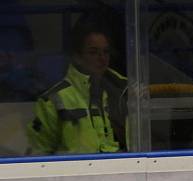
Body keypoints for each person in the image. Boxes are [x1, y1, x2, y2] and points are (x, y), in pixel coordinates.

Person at [27, 17, 127, 155]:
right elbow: (37, 157)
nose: (102, 58)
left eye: (106, 51)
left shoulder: (122, 90)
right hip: (71, 174)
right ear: (77, 57)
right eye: (93, 52)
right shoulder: (53, 100)